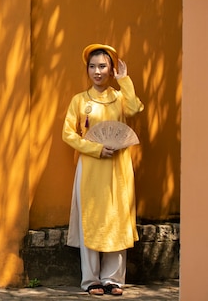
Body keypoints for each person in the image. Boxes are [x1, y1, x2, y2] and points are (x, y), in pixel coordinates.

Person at [62, 44, 144, 296]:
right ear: (87, 69)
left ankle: (113, 279)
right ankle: (91, 280)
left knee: (116, 218)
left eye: (102, 66)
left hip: (118, 168)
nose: (97, 71)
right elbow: (68, 134)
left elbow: (135, 109)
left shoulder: (120, 98)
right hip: (90, 167)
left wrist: (125, 80)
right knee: (91, 220)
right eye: (92, 66)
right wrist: (96, 149)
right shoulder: (79, 100)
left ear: (111, 69)